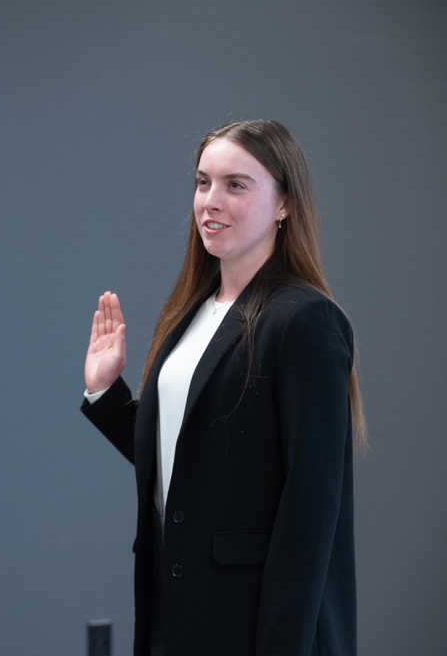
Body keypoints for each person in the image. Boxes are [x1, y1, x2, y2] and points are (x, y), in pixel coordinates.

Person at [81, 119, 364, 655]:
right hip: (178, 611)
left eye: (236, 184)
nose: (211, 201)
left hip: (254, 624)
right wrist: (105, 393)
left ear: (284, 204)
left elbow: (310, 513)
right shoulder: (193, 312)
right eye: (202, 182)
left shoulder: (306, 321)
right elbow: (190, 461)